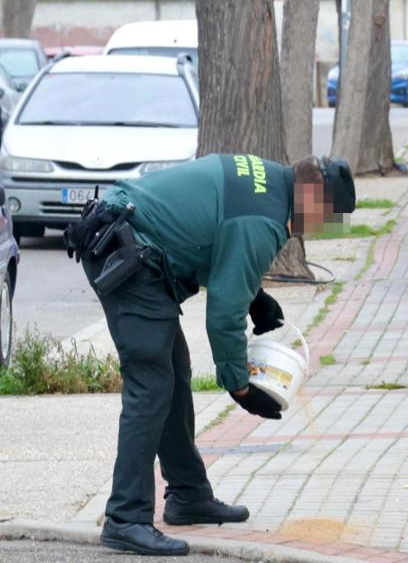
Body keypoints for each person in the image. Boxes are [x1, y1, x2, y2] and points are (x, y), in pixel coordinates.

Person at [66, 154, 355, 557]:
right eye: (329, 216)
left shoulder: (269, 181)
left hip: (129, 236)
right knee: (151, 385)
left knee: (172, 374)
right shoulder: (264, 221)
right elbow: (223, 313)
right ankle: (125, 518)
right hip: (125, 252)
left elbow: (211, 234)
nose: (325, 228)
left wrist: (257, 299)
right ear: (311, 198)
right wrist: (239, 385)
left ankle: (187, 495)